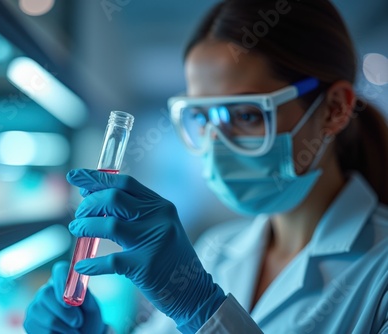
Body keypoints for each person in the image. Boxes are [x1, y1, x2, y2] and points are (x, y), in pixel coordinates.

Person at [23, 0, 388, 333]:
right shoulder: (216, 249)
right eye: (201, 116)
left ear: (335, 109)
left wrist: (202, 309)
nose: (216, 143)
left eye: (246, 114)